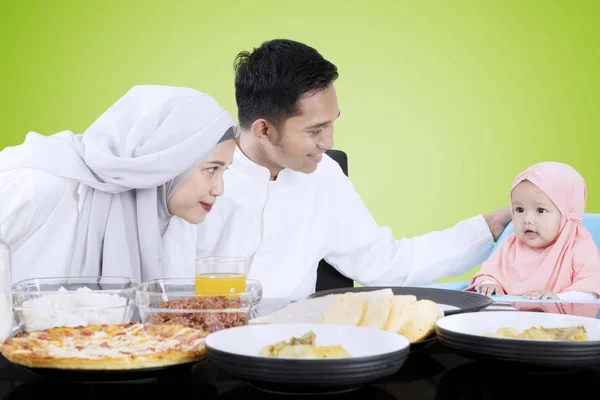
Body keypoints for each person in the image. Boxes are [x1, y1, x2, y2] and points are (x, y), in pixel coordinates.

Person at [163, 39, 512, 298]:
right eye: (315, 130)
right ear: (264, 130)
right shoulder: (193, 174)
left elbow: (387, 263)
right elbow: (163, 288)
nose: (328, 142)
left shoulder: (326, 177)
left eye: (332, 124)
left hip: (292, 354)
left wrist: (488, 229)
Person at [0, 85, 236, 283]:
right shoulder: (42, 183)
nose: (219, 189)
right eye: (211, 169)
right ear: (167, 159)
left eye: (224, 170)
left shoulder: (160, 223)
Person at [467, 162, 600, 300]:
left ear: (567, 212)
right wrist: (490, 283)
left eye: (540, 210)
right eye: (519, 210)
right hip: (508, 318)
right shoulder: (511, 244)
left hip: (560, 319)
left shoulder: (579, 248)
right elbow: (489, 272)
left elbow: (591, 289)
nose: (527, 219)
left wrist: (558, 298)